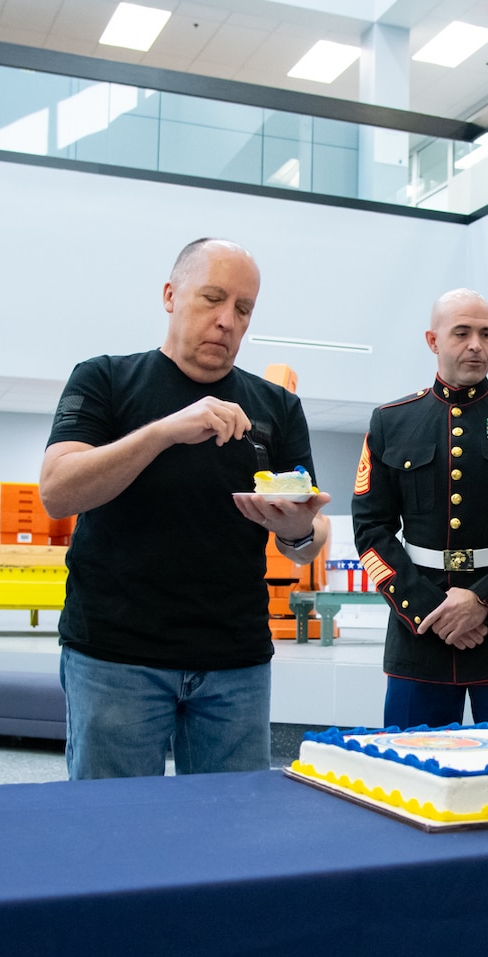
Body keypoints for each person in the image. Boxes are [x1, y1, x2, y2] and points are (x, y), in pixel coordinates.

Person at [40, 238, 330, 779]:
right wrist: (165, 432)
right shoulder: (104, 380)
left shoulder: (277, 407)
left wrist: (297, 530)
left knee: (226, 839)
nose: (227, 321)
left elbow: (304, 539)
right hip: (116, 656)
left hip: (235, 663)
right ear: (171, 295)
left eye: (243, 310)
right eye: (212, 299)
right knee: (116, 834)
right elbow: (58, 491)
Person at [351, 289, 488, 730]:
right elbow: (371, 529)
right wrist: (428, 610)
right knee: (413, 778)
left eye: (487, 333)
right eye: (462, 332)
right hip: (420, 634)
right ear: (432, 340)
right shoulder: (391, 421)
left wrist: (484, 602)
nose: (477, 344)